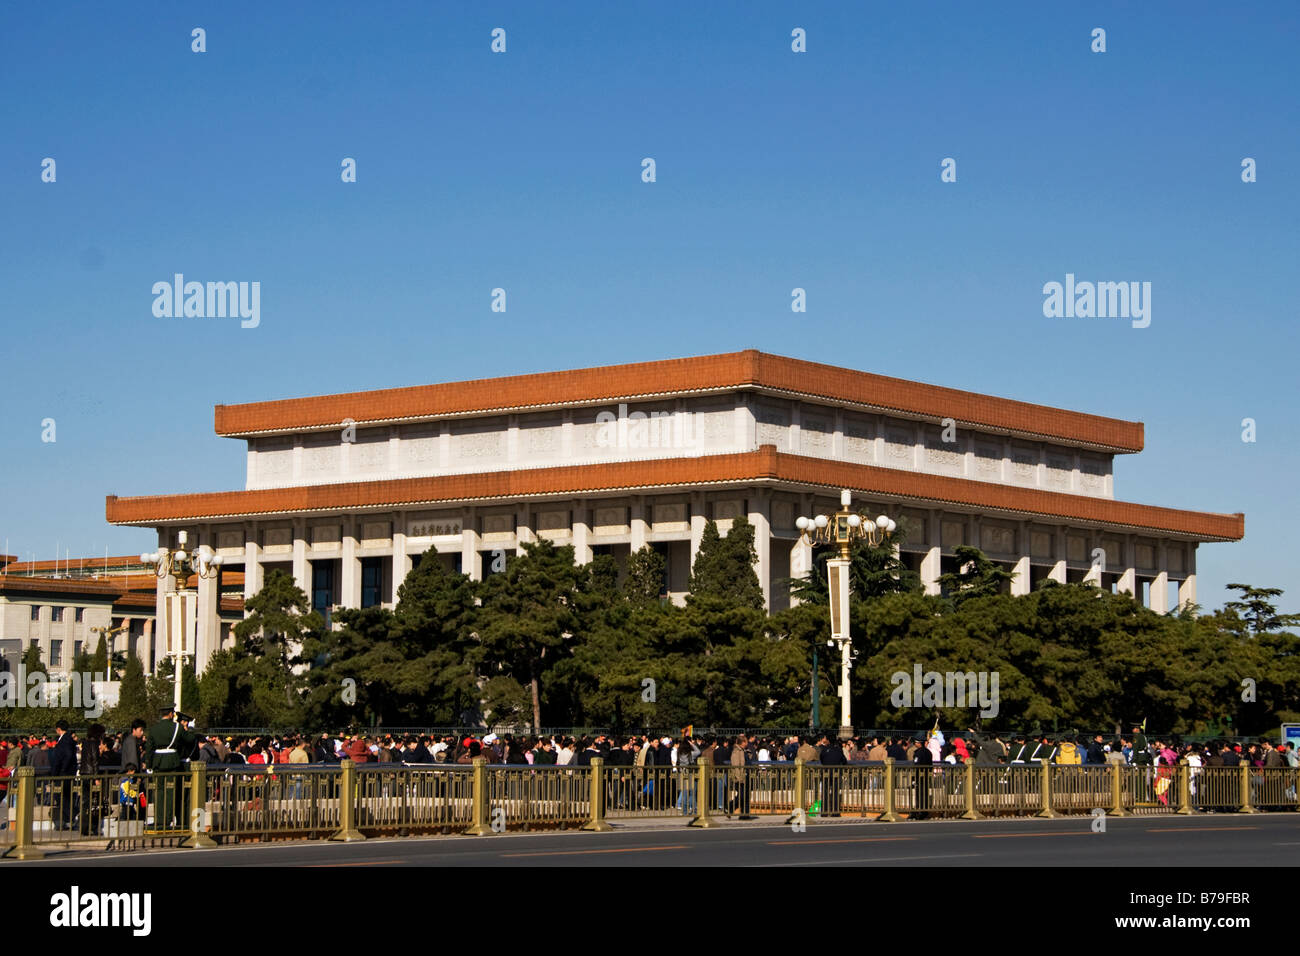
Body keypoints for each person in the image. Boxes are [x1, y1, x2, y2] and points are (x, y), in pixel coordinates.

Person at [144, 705, 197, 830]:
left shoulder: (153, 729)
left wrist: (149, 765)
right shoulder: (177, 727)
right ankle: (167, 820)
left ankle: (159, 819)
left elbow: (149, 749)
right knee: (170, 792)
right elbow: (190, 739)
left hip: (158, 762)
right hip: (172, 761)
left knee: (159, 792)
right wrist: (190, 729)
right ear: (171, 714)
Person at [49, 719, 78, 830]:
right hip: (67, 773)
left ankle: (71, 815)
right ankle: (69, 818)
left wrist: (62, 770)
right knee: (66, 797)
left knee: (60, 796)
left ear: (58, 729)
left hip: (64, 774)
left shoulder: (64, 740)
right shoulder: (69, 739)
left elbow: (67, 755)